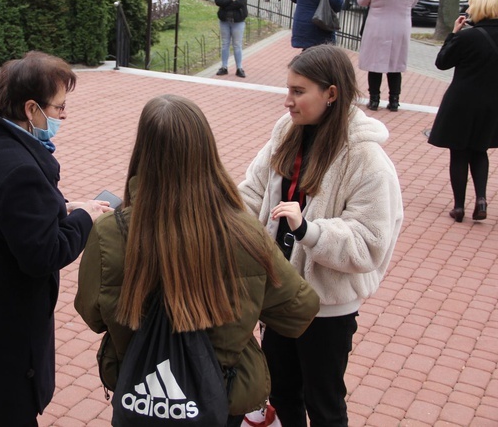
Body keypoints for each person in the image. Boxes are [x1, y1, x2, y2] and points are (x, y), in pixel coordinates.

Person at [75, 94, 320, 425]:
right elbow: (300, 310)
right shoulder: (244, 230)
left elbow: (93, 314)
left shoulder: (110, 232)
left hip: (143, 394)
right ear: (207, 152)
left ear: (142, 153)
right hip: (223, 393)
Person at [0, 51, 111, 427]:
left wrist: (61, 206)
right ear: (32, 109)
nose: (63, 116)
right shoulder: (19, 169)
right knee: (3, 408)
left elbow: (6, 210)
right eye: (59, 107)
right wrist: (85, 218)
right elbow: (43, 253)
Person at [238, 45, 403, 426]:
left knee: (324, 403)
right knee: (280, 394)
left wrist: (309, 230)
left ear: (331, 94)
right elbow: (252, 191)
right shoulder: (287, 130)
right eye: (288, 89)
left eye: (299, 91)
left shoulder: (368, 159)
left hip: (325, 308)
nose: (288, 102)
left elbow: (369, 243)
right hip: (278, 293)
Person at [427, 0, 498, 223]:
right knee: (479, 150)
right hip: (494, 102)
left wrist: (453, 34)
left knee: (459, 152)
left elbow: (441, 63)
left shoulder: (467, 37)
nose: (468, 9)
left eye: (470, 5)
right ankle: (481, 199)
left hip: (462, 101)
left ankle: (459, 206)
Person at [357, 0, 418, 112]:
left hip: (377, 26)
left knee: (375, 63)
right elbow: (414, 2)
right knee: (395, 64)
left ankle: (374, 100)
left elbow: (362, 0)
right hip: (400, 26)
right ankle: (394, 101)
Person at [215, 0, 249, 78]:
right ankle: (224, 67)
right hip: (224, 21)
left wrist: (226, 5)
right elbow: (217, 0)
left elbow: (241, 2)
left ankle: (239, 68)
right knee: (225, 44)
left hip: (238, 21)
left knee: (237, 45)